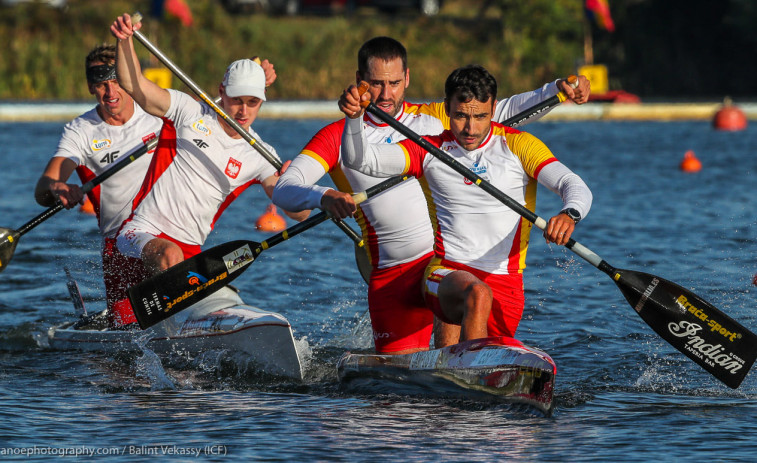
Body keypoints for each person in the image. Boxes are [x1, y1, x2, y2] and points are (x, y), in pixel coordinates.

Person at [272, 37, 590, 354]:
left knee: (471, 300)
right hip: (396, 275)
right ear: (359, 82)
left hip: (447, 266)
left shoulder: (436, 119)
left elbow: (499, 109)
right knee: (398, 395)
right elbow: (287, 188)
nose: (386, 94)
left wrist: (559, 89)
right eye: (375, 84)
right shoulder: (336, 136)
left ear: (407, 78)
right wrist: (323, 196)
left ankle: (466, 374)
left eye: (395, 83)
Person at [338, 64, 593, 345]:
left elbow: (573, 184)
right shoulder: (428, 150)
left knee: (488, 331)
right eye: (460, 116)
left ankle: (456, 370)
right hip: (444, 275)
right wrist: (354, 118)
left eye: (480, 116)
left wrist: (570, 214)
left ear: (494, 109)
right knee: (477, 294)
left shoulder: (520, 146)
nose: (470, 129)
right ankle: (468, 369)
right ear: (446, 108)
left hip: (506, 282)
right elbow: (359, 161)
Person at [109, 14, 308, 282]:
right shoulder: (191, 112)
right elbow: (135, 85)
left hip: (190, 251)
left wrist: (291, 184)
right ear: (221, 92)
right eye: (236, 100)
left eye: (253, 101)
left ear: (262, 101)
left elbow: (300, 213)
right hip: (141, 234)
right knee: (170, 256)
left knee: (180, 262)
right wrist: (125, 41)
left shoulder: (262, 154)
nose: (244, 111)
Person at [34, 44, 163, 328]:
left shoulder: (160, 116)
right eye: (101, 85)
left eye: (117, 82)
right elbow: (44, 186)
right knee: (128, 342)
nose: (111, 92)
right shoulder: (81, 131)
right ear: (91, 87)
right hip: (120, 248)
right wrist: (58, 188)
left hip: (169, 235)